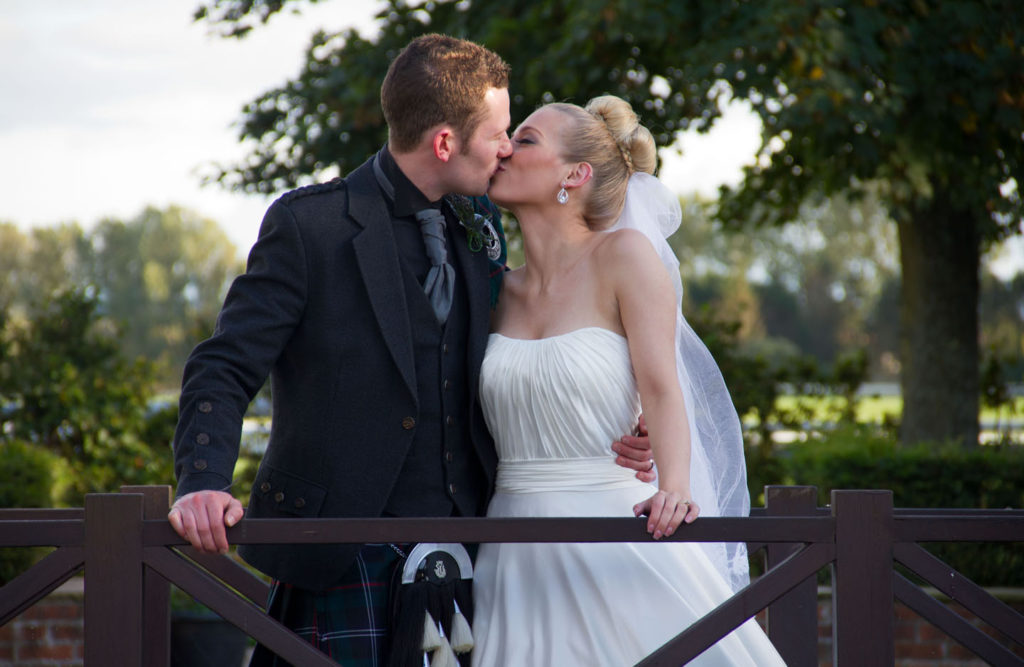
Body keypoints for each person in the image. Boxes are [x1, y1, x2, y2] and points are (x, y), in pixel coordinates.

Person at [167, 35, 653, 666]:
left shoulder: (480, 227)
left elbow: (532, 356)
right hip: (342, 550)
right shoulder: (311, 226)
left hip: (477, 549)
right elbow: (223, 365)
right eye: (498, 132)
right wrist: (202, 481)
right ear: (445, 143)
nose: (507, 147)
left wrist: (616, 422)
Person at [470, 96, 786, 666]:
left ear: (576, 173)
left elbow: (663, 387)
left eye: (527, 139)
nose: (505, 149)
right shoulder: (495, 289)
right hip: (510, 544)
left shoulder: (625, 256)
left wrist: (677, 486)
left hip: (617, 533)